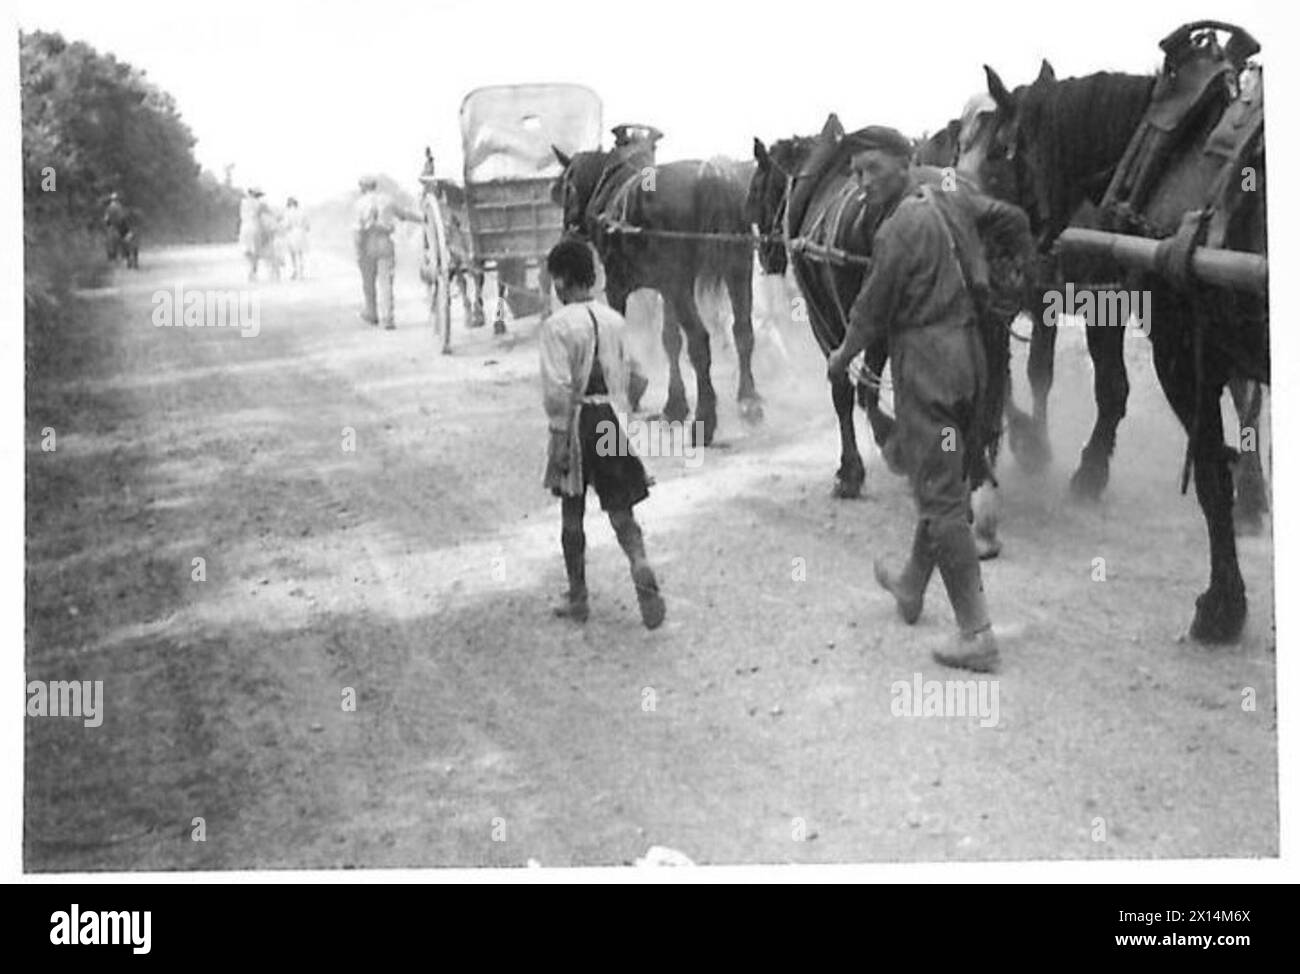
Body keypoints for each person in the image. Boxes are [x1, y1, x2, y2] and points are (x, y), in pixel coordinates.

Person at [825, 126, 1032, 673]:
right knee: (944, 479)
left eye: (871, 169)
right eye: (856, 173)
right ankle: (912, 586)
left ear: (904, 163)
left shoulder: (897, 229)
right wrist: (1016, 280)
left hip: (927, 369)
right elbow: (1011, 223)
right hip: (969, 363)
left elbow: (870, 310)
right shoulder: (943, 199)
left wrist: (842, 356)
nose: (863, 183)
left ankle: (977, 634)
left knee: (940, 500)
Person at [540, 238, 664, 629]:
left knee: (571, 511)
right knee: (620, 509)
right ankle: (639, 561)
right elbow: (639, 375)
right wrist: (624, 411)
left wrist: (558, 443)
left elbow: (558, 389)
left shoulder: (557, 327)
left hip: (577, 423)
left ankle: (578, 597)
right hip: (609, 419)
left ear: (561, 281)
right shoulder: (613, 319)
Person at [354, 175, 422, 329]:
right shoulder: (387, 200)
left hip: (368, 243)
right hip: (385, 241)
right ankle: (388, 318)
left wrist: (358, 251)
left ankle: (372, 313)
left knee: (368, 282)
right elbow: (404, 215)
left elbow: (357, 230)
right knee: (386, 282)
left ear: (363, 188)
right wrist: (423, 219)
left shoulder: (359, 204)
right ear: (374, 186)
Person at [238, 188, 269, 281]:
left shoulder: (243, 202)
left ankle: (251, 269)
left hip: (244, 227)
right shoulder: (258, 204)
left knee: (246, 250)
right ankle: (253, 270)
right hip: (254, 227)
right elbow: (260, 217)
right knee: (256, 251)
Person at [283, 197, 310, 279]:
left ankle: (295, 271)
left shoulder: (288, 213)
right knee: (301, 253)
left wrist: (284, 228)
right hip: (301, 233)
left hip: (292, 233)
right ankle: (301, 272)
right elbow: (307, 226)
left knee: (293, 253)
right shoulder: (303, 212)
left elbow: (287, 225)